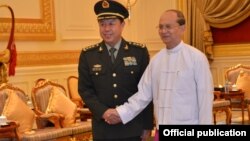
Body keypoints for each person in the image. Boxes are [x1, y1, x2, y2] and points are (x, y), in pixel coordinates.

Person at [104, 9, 214, 140]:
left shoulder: (197, 58)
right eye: (160, 27)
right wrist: (120, 112)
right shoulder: (156, 60)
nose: (163, 31)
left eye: (168, 27)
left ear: (182, 28)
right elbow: (142, 95)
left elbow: (205, 101)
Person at [78, 0, 154, 141]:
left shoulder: (139, 52)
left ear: (122, 25)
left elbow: (146, 91)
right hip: (103, 129)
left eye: (111, 23)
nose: (106, 29)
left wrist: (147, 125)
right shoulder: (88, 55)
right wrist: (104, 112)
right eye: (102, 24)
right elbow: (85, 90)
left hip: (132, 128)